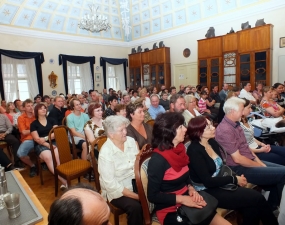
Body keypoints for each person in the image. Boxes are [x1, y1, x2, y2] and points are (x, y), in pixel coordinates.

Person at [187, 116, 278, 225]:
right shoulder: (194, 151)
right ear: (199, 132)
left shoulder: (212, 142)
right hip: (207, 191)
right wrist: (234, 179)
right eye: (208, 127)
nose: (213, 128)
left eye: (211, 124)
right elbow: (208, 181)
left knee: (252, 206)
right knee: (257, 198)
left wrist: (235, 177)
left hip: (220, 183)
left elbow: (222, 167)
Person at [147, 112, 230, 225]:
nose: (185, 129)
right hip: (170, 209)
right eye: (180, 127)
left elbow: (186, 176)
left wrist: (191, 188)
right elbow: (153, 196)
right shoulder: (158, 160)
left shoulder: (180, 150)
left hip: (189, 199)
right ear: (169, 132)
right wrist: (182, 199)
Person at [216, 97, 285, 211]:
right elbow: (238, 159)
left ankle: (272, 205)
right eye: (242, 110)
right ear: (233, 111)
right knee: (283, 173)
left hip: (248, 161)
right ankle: (274, 207)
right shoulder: (225, 130)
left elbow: (246, 149)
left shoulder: (236, 124)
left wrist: (260, 163)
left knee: (281, 170)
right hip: (238, 168)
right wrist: (261, 166)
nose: (243, 112)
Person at [98, 116, 143, 225]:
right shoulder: (106, 153)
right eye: (121, 130)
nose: (125, 132)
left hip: (135, 182)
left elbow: (138, 164)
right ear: (111, 134)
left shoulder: (131, 141)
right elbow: (111, 184)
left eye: (125, 128)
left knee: (156, 194)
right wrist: (137, 196)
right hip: (117, 191)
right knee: (135, 207)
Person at [30, 103, 67, 188]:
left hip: (53, 142)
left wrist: (46, 138)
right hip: (41, 145)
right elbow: (37, 139)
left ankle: (63, 179)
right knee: (48, 157)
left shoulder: (52, 120)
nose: (43, 110)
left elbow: (56, 133)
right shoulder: (34, 124)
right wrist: (47, 144)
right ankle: (63, 180)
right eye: (41, 108)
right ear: (36, 111)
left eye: (45, 108)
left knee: (57, 157)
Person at [241, 98, 285, 166]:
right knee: (281, 159)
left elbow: (252, 138)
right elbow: (243, 148)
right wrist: (261, 150)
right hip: (253, 152)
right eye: (249, 108)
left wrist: (262, 144)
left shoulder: (246, 120)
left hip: (258, 147)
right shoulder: (238, 125)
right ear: (241, 109)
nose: (251, 110)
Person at [17, 99, 37, 177]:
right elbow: (24, 132)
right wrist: (35, 129)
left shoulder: (36, 116)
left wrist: (35, 115)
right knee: (20, 154)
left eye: (32, 105)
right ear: (24, 108)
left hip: (39, 137)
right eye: (28, 106)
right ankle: (32, 165)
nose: (30, 107)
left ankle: (44, 162)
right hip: (28, 139)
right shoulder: (21, 118)